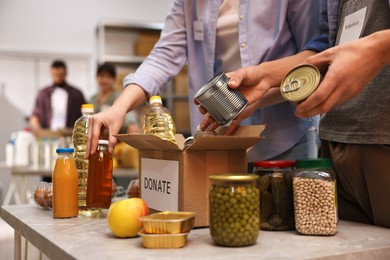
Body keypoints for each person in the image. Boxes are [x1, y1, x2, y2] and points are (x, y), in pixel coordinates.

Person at [214, 0, 390, 228]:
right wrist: (266, 76)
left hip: (381, 138)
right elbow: (326, 47)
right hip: (337, 141)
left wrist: (379, 47)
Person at [87, 1, 321, 166]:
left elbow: (315, 55)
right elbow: (164, 57)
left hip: (283, 136)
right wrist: (118, 108)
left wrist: (259, 98)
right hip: (217, 142)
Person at [30, 60, 86, 134]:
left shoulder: (77, 94)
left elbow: (85, 115)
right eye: (55, 75)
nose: (58, 77)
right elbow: (35, 116)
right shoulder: (43, 93)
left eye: (60, 75)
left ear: (66, 73)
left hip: (70, 134)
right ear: (51, 73)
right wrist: (38, 130)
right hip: (48, 134)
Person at [90, 62, 142, 134]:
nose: (105, 80)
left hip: (116, 140)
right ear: (96, 77)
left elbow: (128, 113)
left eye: (109, 77)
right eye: (102, 76)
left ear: (114, 80)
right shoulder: (92, 99)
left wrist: (131, 124)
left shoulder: (119, 97)